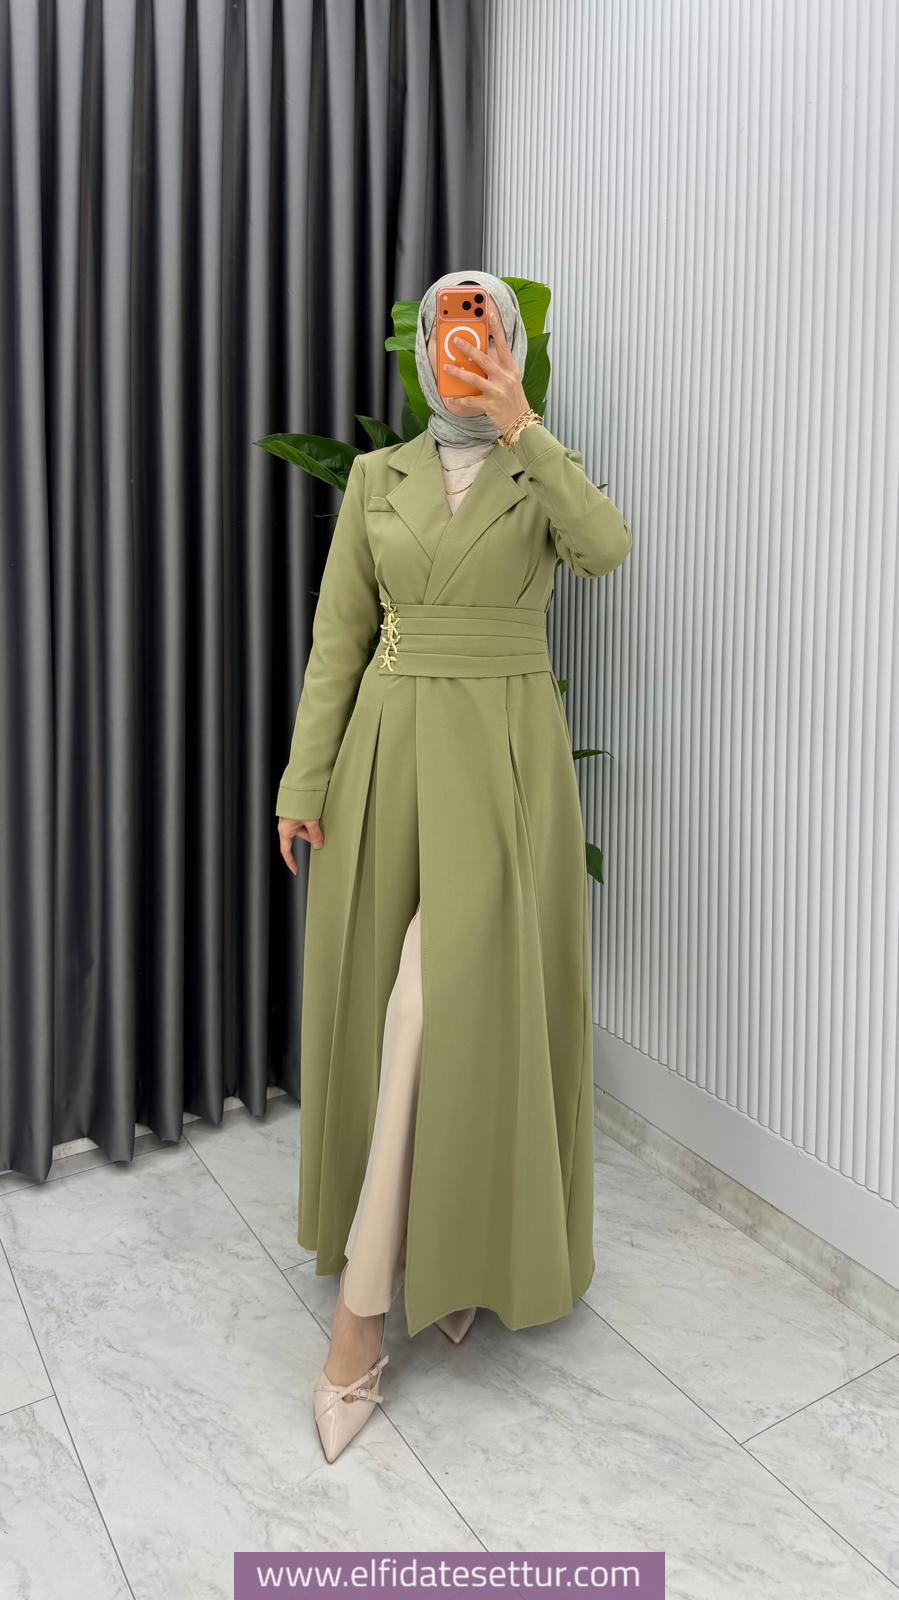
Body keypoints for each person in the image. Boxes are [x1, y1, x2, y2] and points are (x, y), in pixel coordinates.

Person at [276, 270, 633, 1463]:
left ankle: (360, 1316)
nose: (460, 339)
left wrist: (522, 422)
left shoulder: (539, 468)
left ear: (509, 343)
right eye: (445, 323)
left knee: (435, 1011)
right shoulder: (376, 479)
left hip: (503, 763)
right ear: (424, 345)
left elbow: (606, 549)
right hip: (384, 756)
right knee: (400, 1021)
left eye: (481, 322)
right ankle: (446, 1258)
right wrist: (303, 781)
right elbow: (337, 637)